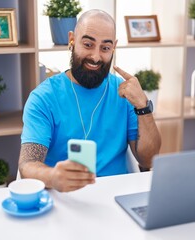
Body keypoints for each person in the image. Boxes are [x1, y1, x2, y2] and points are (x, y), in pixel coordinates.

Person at [18, 9, 161, 192]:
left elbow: (148, 160)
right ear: (72, 40)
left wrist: (143, 107)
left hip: (116, 196)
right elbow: (27, 165)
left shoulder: (125, 94)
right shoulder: (44, 98)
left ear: (114, 48)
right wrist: (52, 177)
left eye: (105, 48)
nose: (95, 56)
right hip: (63, 197)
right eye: (88, 44)